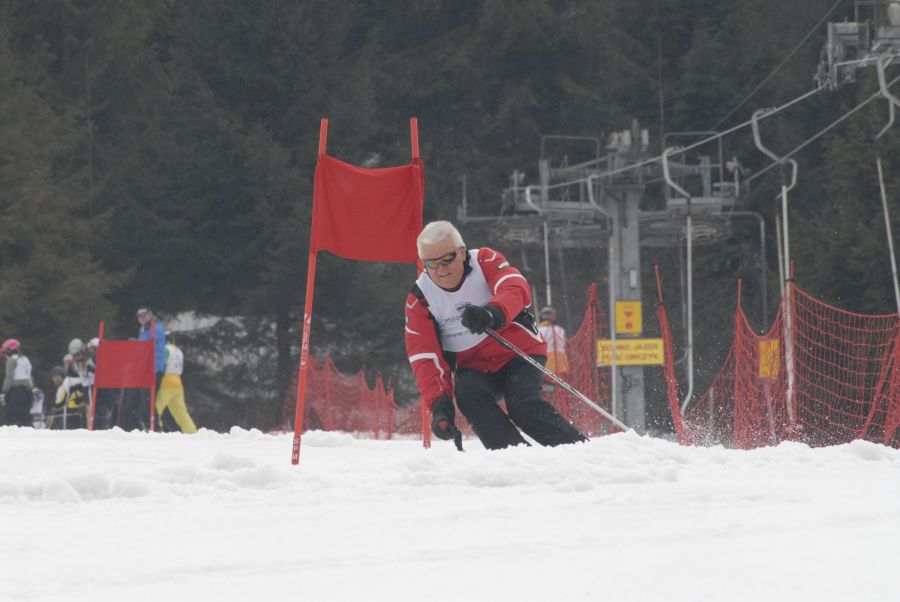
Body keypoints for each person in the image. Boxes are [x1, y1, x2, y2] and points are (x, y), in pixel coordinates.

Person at [404, 221, 586, 450]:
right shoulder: (420, 298)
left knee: (522, 406)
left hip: (518, 354)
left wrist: (492, 313)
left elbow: (515, 287)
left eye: (447, 259)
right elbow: (424, 356)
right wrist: (440, 408)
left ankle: (575, 450)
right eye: (431, 264)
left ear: (461, 252)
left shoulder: (484, 261)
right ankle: (512, 455)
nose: (441, 270)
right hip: (475, 368)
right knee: (467, 394)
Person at [156, 333, 198, 433]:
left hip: (166, 382)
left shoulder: (166, 349)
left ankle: (155, 430)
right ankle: (192, 432)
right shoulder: (178, 351)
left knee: (156, 409)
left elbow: (161, 365)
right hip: (177, 382)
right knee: (181, 412)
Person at [1, 339, 34, 427]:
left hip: (16, 392)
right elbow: (29, 375)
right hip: (28, 391)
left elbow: (9, 377)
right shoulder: (25, 359)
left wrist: (4, 392)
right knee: (25, 416)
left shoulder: (11, 360)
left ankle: (13, 437)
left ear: (9, 350)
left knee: (11, 417)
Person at [537, 306, 570, 377]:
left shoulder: (538, 330)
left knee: (548, 384)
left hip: (546, 361)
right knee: (560, 384)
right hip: (561, 362)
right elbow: (564, 344)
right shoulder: (560, 330)